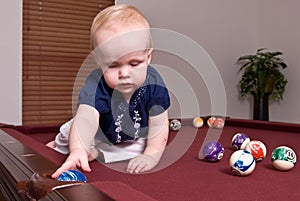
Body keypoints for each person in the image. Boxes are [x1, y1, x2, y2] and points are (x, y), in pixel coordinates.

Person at [48, 4, 170, 178]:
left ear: (148, 57)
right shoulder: (97, 82)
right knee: (70, 139)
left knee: (137, 150)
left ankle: (97, 153)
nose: (125, 74)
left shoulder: (154, 84)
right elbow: (86, 119)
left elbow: (159, 125)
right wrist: (77, 150)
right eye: (113, 65)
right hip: (96, 127)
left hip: (128, 134)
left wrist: (151, 155)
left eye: (134, 63)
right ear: (99, 61)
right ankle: (58, 146)